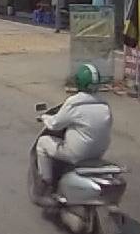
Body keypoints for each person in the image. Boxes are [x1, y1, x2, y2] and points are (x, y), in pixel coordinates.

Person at [35, 63, 113, 195]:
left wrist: (44, 117)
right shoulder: (104, 105)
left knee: (42, 143)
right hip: (98, 153)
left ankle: (46, 183)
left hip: (77, 153)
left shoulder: (75, 103)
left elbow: (55, 124)